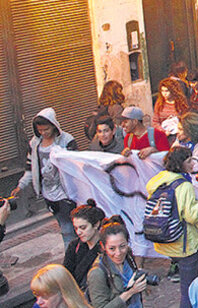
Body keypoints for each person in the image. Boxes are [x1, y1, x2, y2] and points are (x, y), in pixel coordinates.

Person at [145, 147, 198, 308]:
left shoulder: (159, 179)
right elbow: (192, 215)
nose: (192, 164)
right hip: (184, 244)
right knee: (189, 290)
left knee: (197, 275)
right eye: (189, 161)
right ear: (179, 163)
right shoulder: (184, 186)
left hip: (166, 239)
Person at [11, 108, 78, 248]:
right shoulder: (34, 144)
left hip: (66, 194)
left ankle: (71, 260)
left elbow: (75, 165)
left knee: (68, 229)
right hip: (48, 195)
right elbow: (30, 168)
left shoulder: (67, 140)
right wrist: (20, 186)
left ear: (54, 125)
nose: (43, 133)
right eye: (40, 130)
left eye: (46, 129)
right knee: (65, 227)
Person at [86, 217, 148, 308]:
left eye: (122, 246)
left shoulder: (128, 256)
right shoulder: (97, 273)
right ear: (103, 246)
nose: (118, 253)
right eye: (112, 248)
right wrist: (130, 292)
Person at [63, 200, 106, 290]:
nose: (78, 232)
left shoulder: (107, 247)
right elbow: (67, 274)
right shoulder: (74, 245)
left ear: (96, 224)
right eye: (75, 228)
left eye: (83, 228)